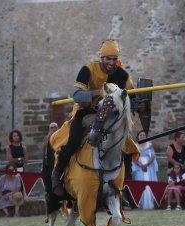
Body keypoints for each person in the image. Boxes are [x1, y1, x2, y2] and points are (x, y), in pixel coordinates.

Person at [50, 39, 135, 197]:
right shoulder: (87, 70)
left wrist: (141, 103)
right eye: (108, 59)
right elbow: (77, 96)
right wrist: (98, 93)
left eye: (114, 59)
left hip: (110, 116)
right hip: (86, 112)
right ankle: (58, 174)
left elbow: (131, 96)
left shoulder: (122, 74)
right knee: (73, 141)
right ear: (101, 58)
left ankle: (122, 185)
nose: (111, 63)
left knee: (128, 144)